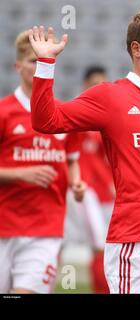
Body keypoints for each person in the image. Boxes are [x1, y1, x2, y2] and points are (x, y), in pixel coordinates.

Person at [28, 7, 140, 293]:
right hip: (133, 243)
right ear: (136, 49)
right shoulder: (110, 96)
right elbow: (46, 120)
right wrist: (46, 62)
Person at [0, 31, 86, 294]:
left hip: (46, 227)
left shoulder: (62, 114)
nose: (36, 67)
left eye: (42, 62)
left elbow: (72, 161)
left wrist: (77, 183)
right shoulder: (4, 112)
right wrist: (20, 175)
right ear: (18, 66)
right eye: (31, 61)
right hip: (4, 224)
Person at [63, 66, 113, 293]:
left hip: (106, 193)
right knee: (99, 246)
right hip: (84, 191)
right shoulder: (77, 115)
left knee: (109, 247)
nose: (98, 89)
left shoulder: (109, 120)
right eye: (94, 84)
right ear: (85, 86)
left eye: (103, 84)